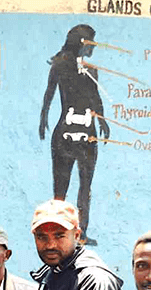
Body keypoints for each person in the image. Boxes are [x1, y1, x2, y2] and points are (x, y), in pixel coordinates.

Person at [39, 24, 110, 245]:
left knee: (85, 185)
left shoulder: (91, 69)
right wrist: (43, 119)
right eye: (90, 42)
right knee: (61, 186)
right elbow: (49, 93)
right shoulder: (60, 66)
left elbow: (96, 97)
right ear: (81, 42)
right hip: (66, 131)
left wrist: (102, 120)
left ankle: (82, 232)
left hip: (87, 132)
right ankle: (56, 232)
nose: (93, 47)